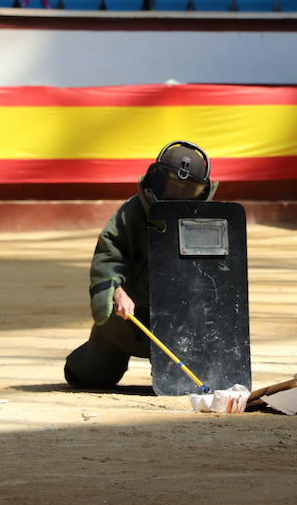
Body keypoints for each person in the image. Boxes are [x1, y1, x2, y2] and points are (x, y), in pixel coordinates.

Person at [64, 141, 218, 390]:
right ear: (155, 180)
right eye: (172, 185)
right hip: (127, 318)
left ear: (201, 191)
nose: (177, 195)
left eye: (186, 189)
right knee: (88, 377)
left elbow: (221, 276)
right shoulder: (131, 212)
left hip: (182, 324)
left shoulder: (212, 221)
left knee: (179, 385)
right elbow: (109, 256)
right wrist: (116, 292)